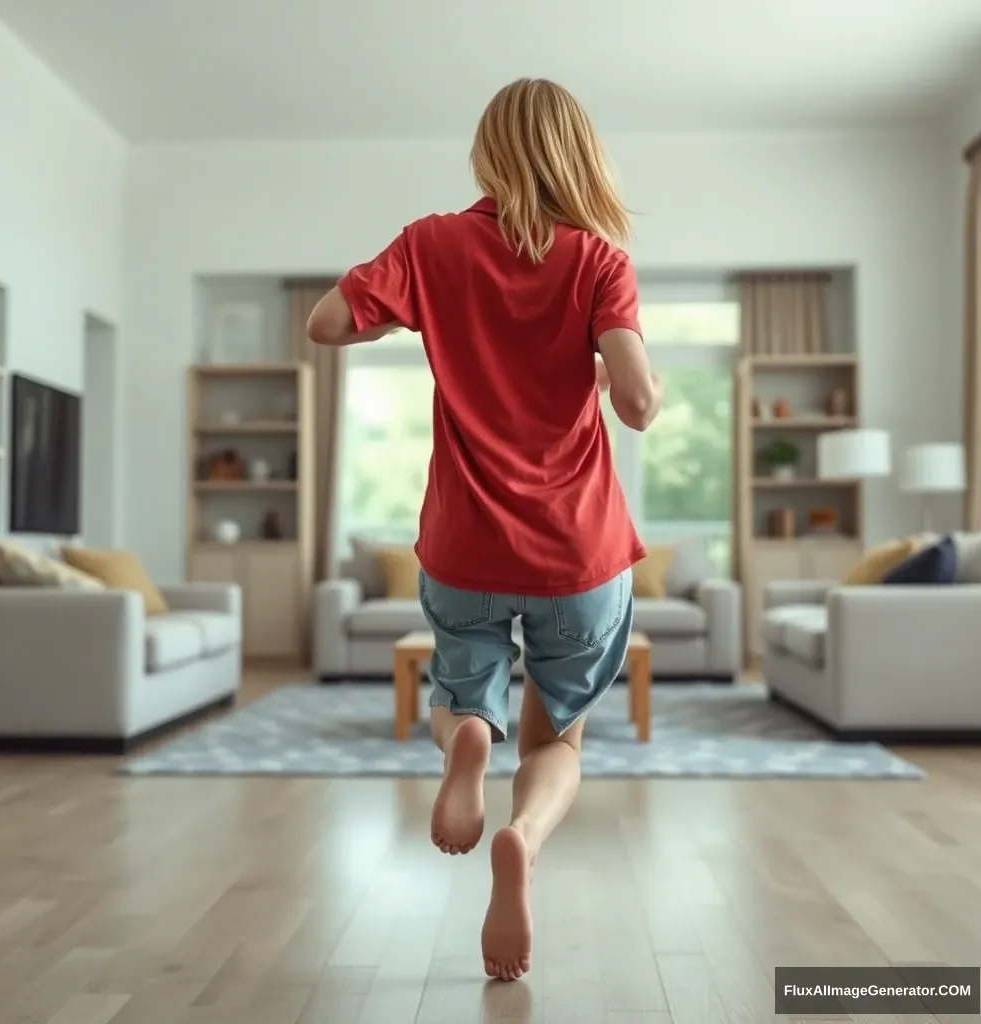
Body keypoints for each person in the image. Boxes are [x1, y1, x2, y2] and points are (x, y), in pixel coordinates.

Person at [306, 78, 662, 982]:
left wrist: (421, 310)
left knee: (464, 696)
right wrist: (625, 376)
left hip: (465, 546)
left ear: (488, 153)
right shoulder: (597, 262)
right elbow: (638, 404)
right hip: (577, 553)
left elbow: (326, 323)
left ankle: (468, 733)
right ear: (578, 156)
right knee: (557, 743)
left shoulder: (433, 243)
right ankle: (524, 835)